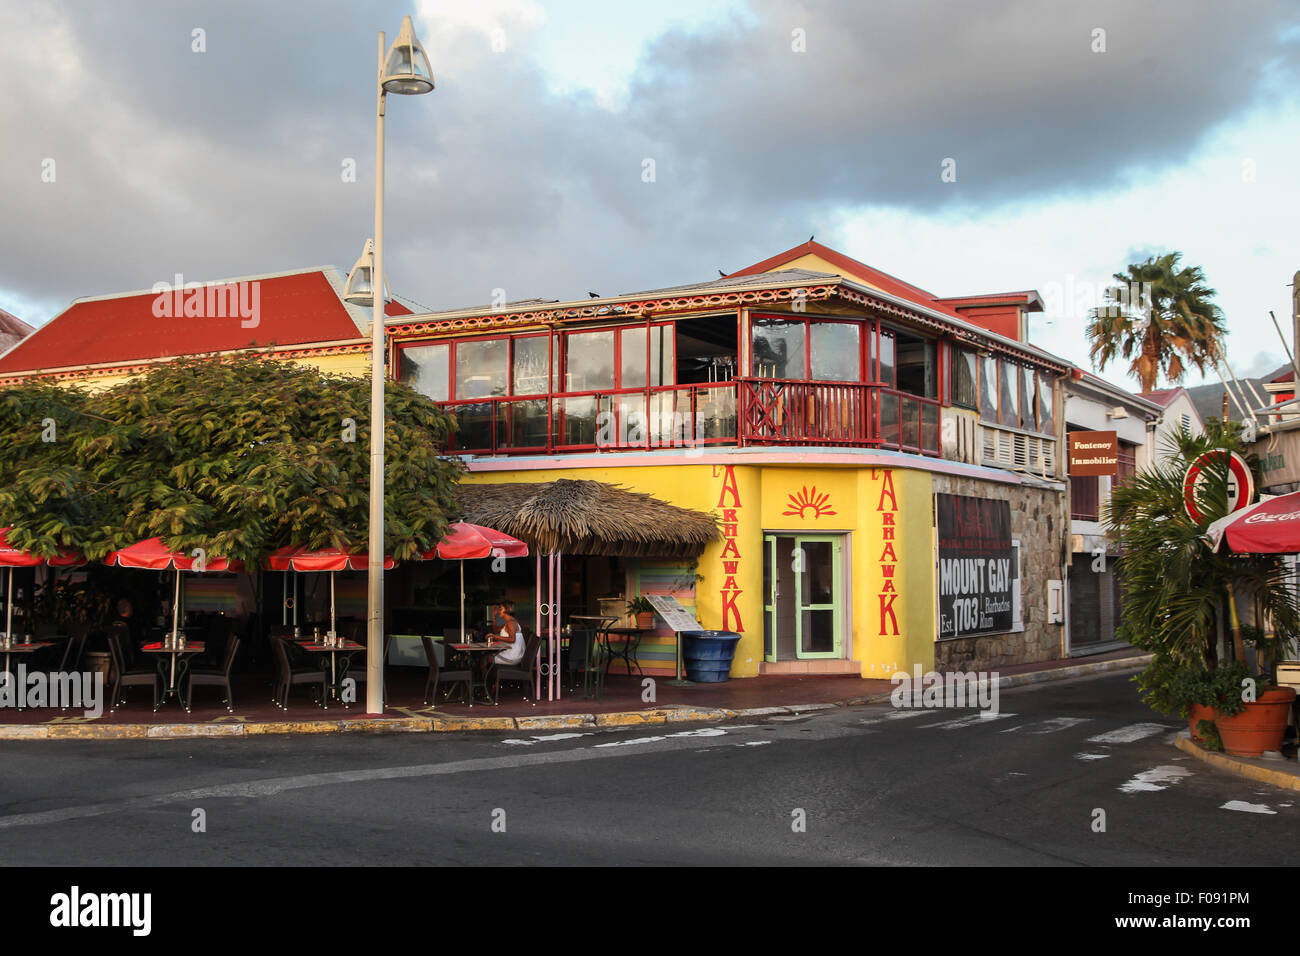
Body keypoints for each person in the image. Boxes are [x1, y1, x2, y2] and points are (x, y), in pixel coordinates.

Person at [492, 601, 525, 665]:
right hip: (515, 654)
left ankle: (492, 675)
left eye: (501, 609)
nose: (499, 611)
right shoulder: (509, 622)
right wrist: (494, 617)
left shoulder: (511, 623)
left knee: (485, 658)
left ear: (507, 610)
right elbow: (495, 630)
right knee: (488, 656)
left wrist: (494, 636)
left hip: (513, 657)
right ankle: (497, 673)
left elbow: (512, 639)